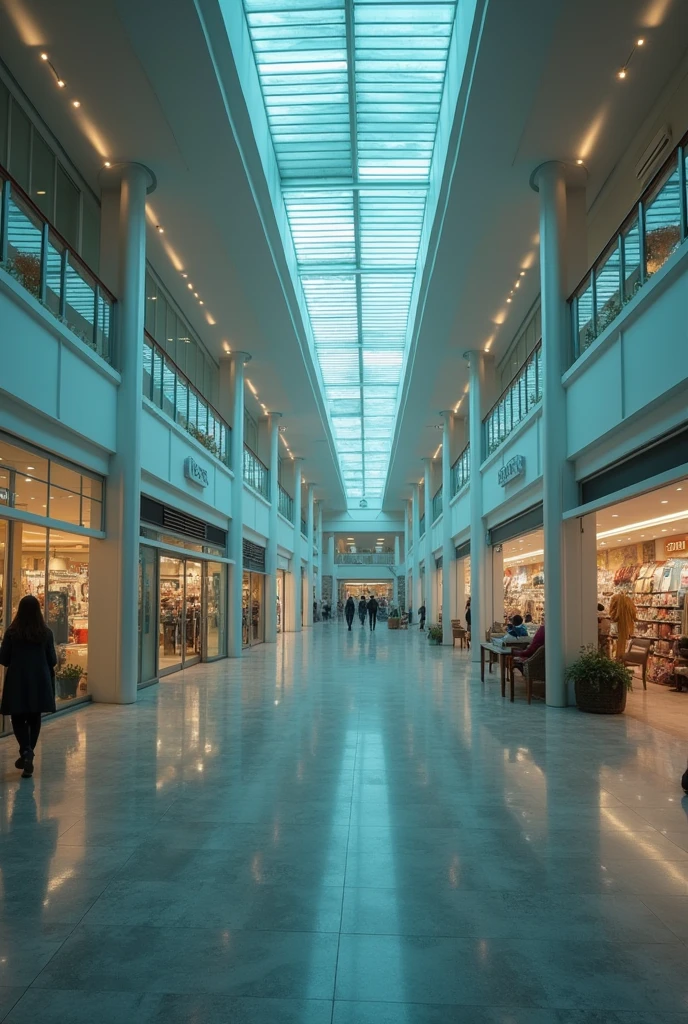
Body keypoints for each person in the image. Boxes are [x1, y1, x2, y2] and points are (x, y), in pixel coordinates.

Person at [0, 594, 57, 778]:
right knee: (34, 717)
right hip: (39, 679)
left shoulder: (11, 632)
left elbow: (4, 659)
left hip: (17, 679)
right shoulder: (46, 633)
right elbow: (53, 660)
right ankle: (28, 753)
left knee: (17, 718)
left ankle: (25, 752)